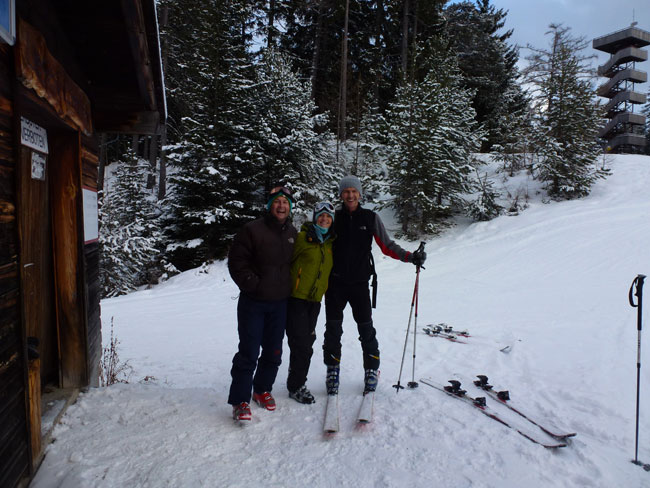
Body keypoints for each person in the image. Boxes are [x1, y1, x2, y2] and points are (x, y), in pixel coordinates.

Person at [323, 175, 426, 396]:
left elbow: (387, 245)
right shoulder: (333, 217)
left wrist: (410, 257)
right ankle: (332, 369)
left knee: (366, 329)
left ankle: (371, 369)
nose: (350, 195)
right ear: (341, 195)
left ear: (360, 194)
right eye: (346, 191)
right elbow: (318, 243)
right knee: (333, 330)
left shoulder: (370, 218)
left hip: (360, 284)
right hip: (335, 284)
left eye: (354, 191)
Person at [227, 186, 297, 421]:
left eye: (285, 203)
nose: (281, 206)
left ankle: (261, 389)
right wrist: (253, 285)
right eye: (277, 202)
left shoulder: (292, 233)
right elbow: (237, 261)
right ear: (269, 205)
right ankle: (240, 401)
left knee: (274, 351)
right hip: (253, 303)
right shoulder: (252, 230)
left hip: (280, 304)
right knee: (248, 352)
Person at [286, 202, 336, 404]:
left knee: (307, 342)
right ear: (315, 218)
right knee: (303, 345)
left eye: (328, 217)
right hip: (296, 299)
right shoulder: (301, 238)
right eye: (321, 216)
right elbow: (285, 262)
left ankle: (294, 376)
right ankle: (296, 386)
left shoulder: (330, 242)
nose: (324, 219)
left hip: (315, 301)